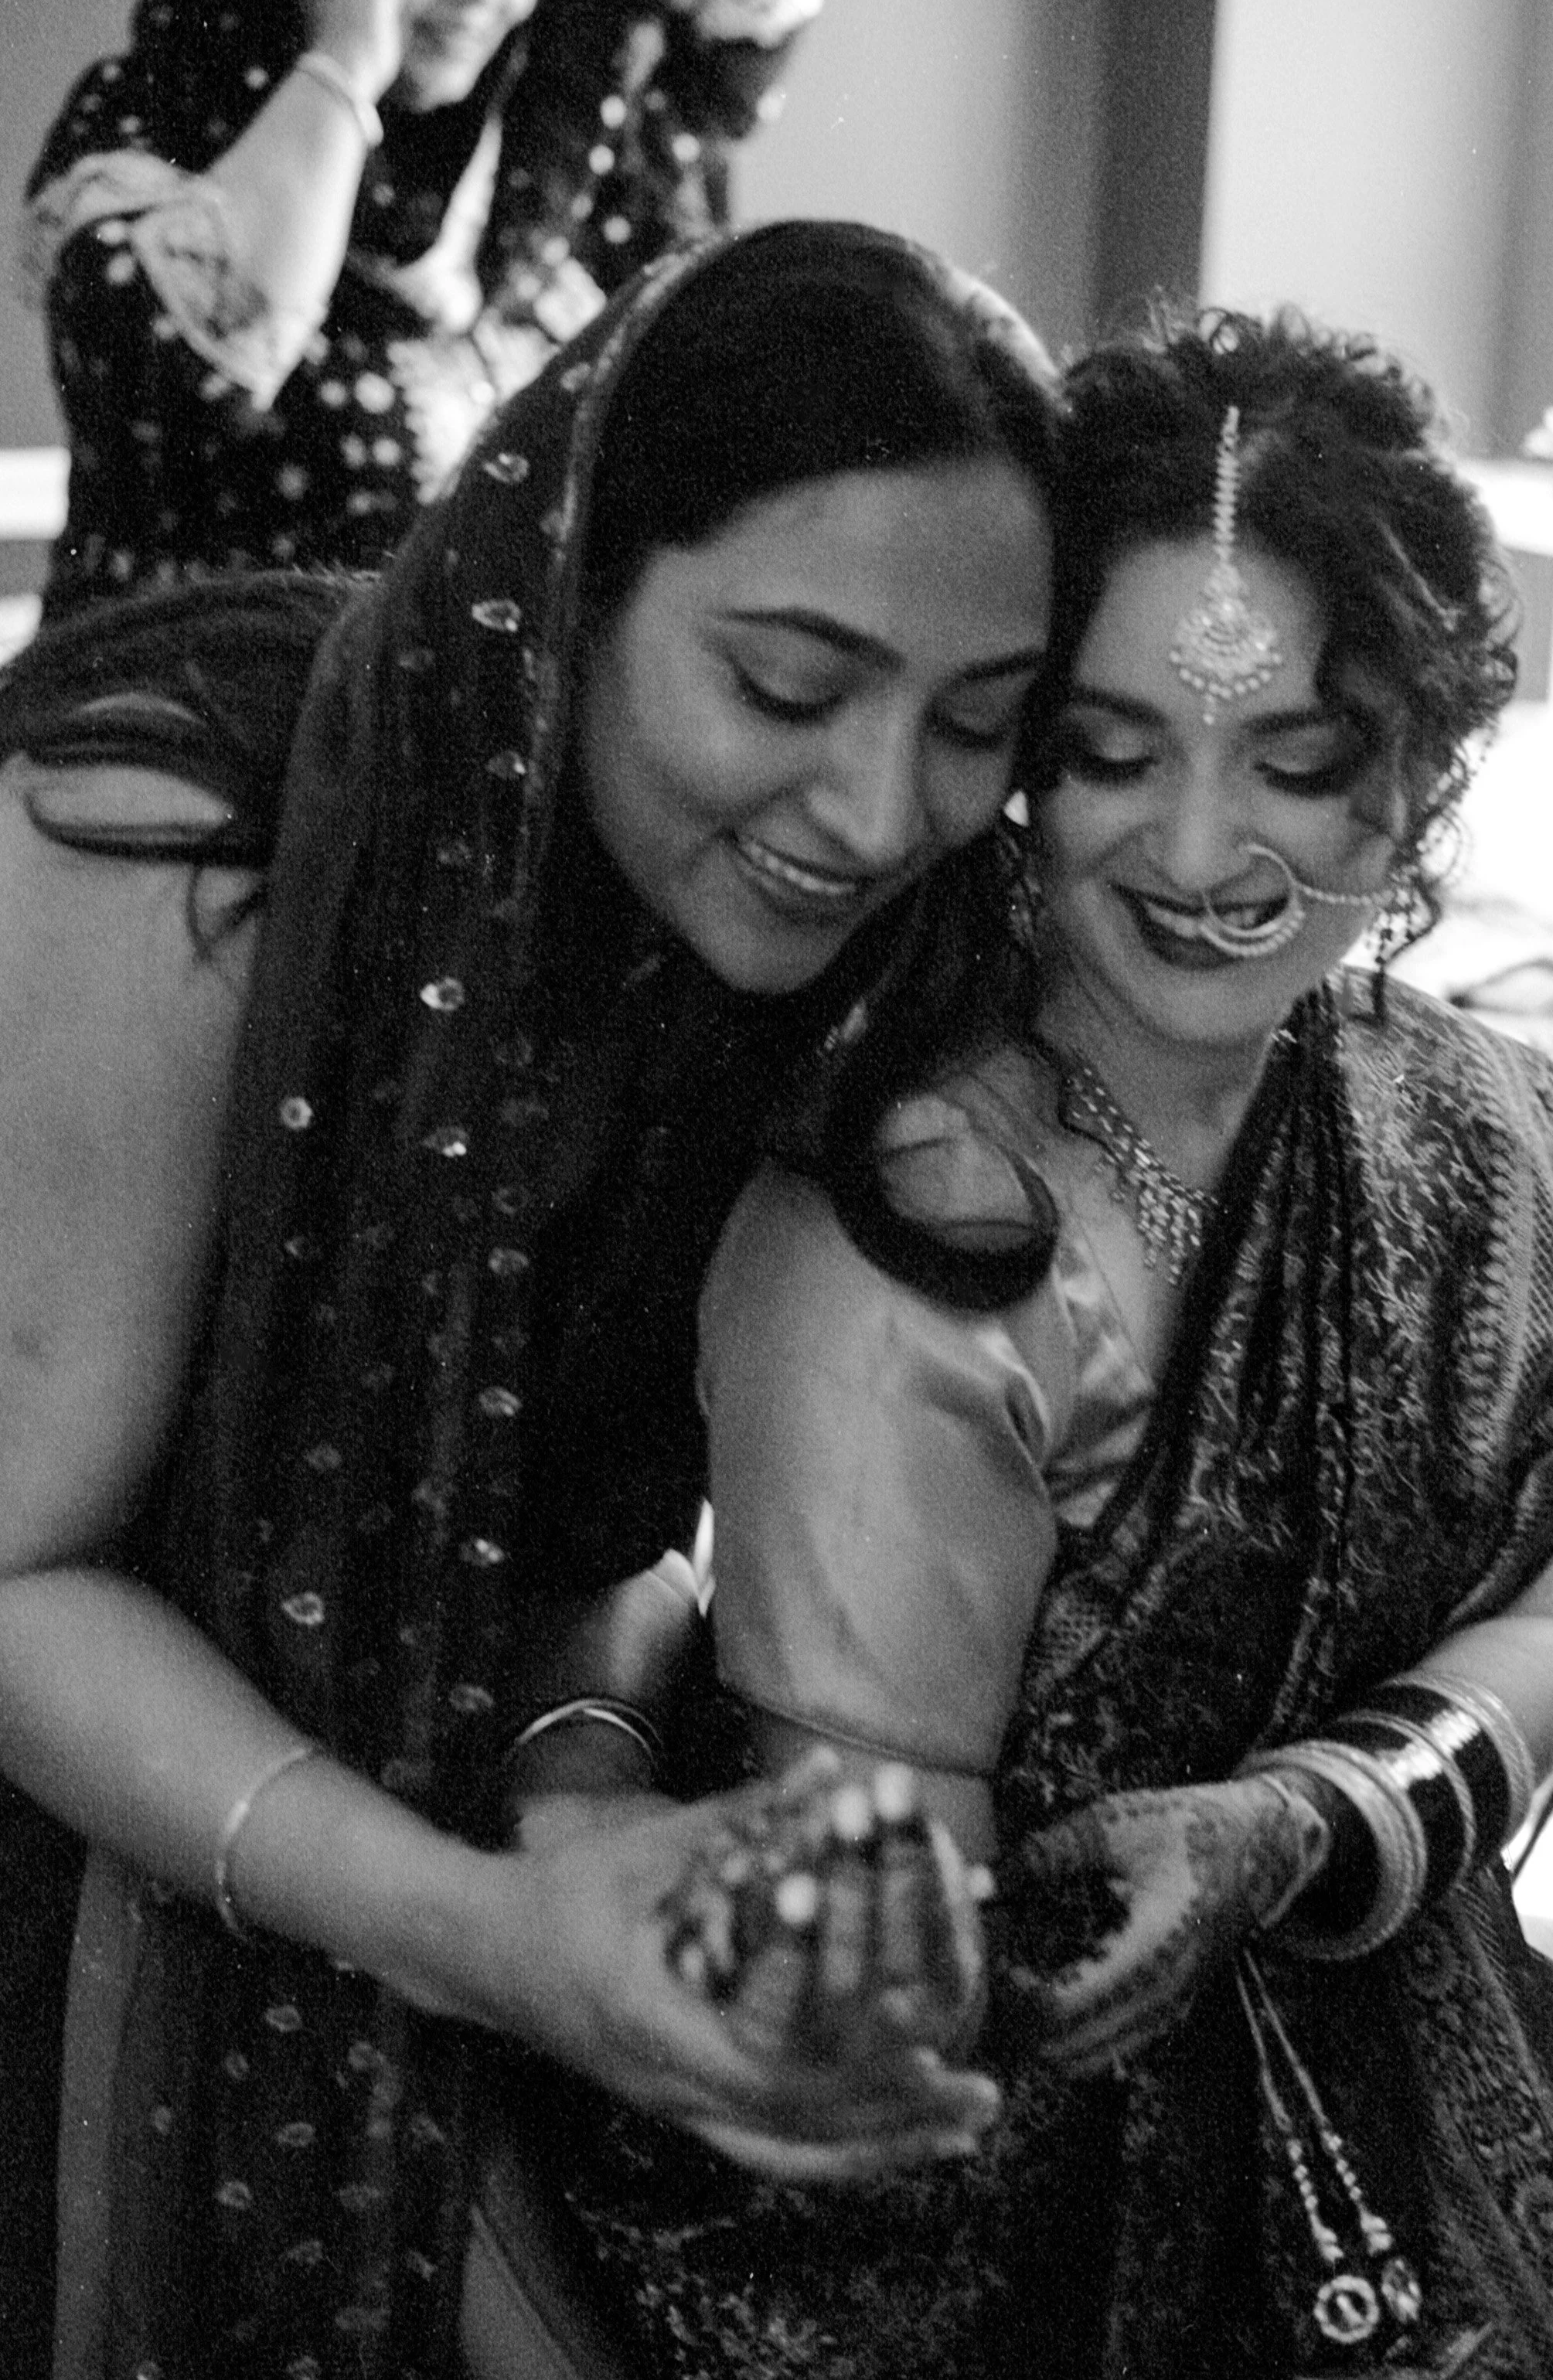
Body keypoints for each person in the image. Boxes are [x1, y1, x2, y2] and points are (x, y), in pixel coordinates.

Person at [510, 306, 1553, 2377]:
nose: (1198, 855)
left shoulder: (1480, 1130)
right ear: (1016, 764)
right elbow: (892, 1988)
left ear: (1425, 766)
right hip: (949, 2196)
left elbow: (1542, 1611)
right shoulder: (913, 1238)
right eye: (1111, 754)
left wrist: (1295, 1821)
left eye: (1296, 761)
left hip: (1391, 2025)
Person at [0, 220, 1062, 2380]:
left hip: (357, 1829)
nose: (878, 810)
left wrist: (585, 1790)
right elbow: (14, 1571)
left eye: (977, 721)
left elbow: (588, 1533)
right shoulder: (178, 837)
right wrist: (488, 1930)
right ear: (564, 586)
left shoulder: (780, 949)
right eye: (785, 686)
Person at [20, 0, 822, 619]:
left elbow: (750, 4)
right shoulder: (147, 139)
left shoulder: (550, 121)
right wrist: (343, 66)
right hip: (193, 697)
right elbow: (219, 356)